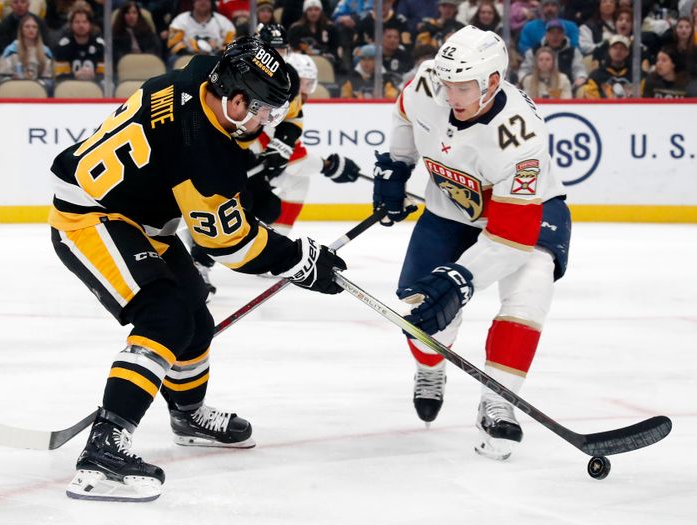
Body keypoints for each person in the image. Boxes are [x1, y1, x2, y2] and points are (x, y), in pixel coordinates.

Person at [49, 36, 347, 502]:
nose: (267, 121)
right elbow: (230, 245)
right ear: (236, 99)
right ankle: (104, 450)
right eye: (263, 110)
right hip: (90, 216)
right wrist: (299, 260)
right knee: (164, 318)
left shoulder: (200, 72)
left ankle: (187, 413)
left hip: (139, 213)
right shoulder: (206, 155)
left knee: (194, 312)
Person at [373, 26, 570, 460]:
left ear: (492, 82)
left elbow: (512, 237)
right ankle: (430, 367)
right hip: (450, 207)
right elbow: (405, 113)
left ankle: (499, 402)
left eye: (462, 88)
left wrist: (462, 279)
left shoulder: (521, 139)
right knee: (423, 311)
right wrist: (397, 164)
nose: (450, 97)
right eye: (447, 85)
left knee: (530, 290)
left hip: (528, 212)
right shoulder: (429, 82)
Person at [191, 25, 361, 297]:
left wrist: (281, 146)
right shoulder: (240, 74)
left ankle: (251, 253)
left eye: (281, 50)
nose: (277, 56)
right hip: (224, 151)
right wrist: (325, 165)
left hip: (249, 157)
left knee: (268, 206)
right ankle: (196, 263)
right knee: (229, 206)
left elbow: (292, 119)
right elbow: (238, 123)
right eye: (272, 49)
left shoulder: (286, 79)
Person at [0, 14, 54, 91]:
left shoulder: (45, 52)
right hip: (15, 90)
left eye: (34, 27)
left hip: (38, 91)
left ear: (38, 30)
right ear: (21, 30)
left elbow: (50, 80)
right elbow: (2, 78)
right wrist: (12, 79)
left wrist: (35, 84)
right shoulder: (11, 50)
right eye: (27, 27)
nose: (31, 29)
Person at [167, 0, 236, 62]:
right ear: (193, 2)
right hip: (188, 58)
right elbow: (174, 44)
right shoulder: (180, 20)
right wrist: (192, 53)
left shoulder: (224, 22)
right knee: (173, 59)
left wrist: (219, 51)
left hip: (216, 58)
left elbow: (231, 45)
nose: (203, 1)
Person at [53, 1, 104, 84]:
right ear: (71, 24)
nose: (81, 25)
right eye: (77, 22)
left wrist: (94, 75)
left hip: (96, 86)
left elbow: (106, 76)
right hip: (70, 87)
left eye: (84, 22)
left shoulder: (100, 45)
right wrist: (75, 75)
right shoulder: (63, 46)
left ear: (90, 24)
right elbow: (59, 77)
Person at [581, 34, 635, 98]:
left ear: (627, 52)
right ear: (609, 50)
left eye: (622, 48)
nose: (618, 51)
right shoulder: (596, 75)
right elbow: (591, 101)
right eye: (615, 48)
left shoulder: (636, 75)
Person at [112, 1, 163, 67]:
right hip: (126, 66)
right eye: (127, 13)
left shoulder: (147, 31)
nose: (131, 16)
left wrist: (143, 60)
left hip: (147, 64)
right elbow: (116, 55)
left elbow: (155, 50)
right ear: (122, 15)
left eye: (134, 13)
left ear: (138, 15)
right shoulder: (117, 34)